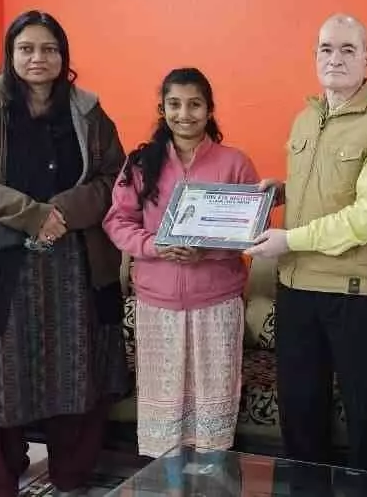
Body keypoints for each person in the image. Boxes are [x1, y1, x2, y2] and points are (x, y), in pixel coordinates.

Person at [0, 10, 129, 497]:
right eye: (26, 48)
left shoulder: (88, 111)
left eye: (49, 49)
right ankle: (2, 480)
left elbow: (116, 178)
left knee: (76, 375)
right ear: (11, 54)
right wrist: (28, 213)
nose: (37, 58)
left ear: (63, 56)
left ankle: (70, 478)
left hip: (74, 263)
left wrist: (63, 211)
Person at [244, 14, 367, 480]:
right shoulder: (307, 118)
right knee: (299, 412)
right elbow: (325, 191)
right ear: (315, 55)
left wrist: (290, 240)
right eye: (326, 49)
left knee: (365, 414)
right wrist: (282, 193)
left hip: (355, 293)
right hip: (296, 286)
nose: (335, 58)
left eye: (348, 49)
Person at [103, 67, 259, 459]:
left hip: (216, 304)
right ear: (162, 109)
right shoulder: (141, 163)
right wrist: (155, 245)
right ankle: (168, 481)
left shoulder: (235, 164)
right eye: (174, 104)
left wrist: (208, 251)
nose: (184, 114)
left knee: (214, 400)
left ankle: (211, 478)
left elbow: (252, 231)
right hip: (157, 306)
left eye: (194, 105)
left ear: (210, 109)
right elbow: (117, 222)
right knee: (164, 401)